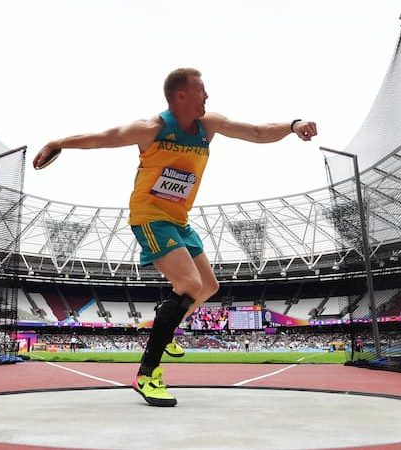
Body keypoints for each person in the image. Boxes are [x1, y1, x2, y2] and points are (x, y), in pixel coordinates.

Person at [34, 68, 317, 406]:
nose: (208, 96)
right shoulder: (150, 129)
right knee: (190, 285)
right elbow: (101, 137)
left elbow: (256, 132)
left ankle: (166, 325)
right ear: (180, 96)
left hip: (179, 220)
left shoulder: (207, 126)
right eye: (201, 90)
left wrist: (292, 124)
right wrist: (57, 142)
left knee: (209, 287)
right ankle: (147, 373)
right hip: (150, 217)